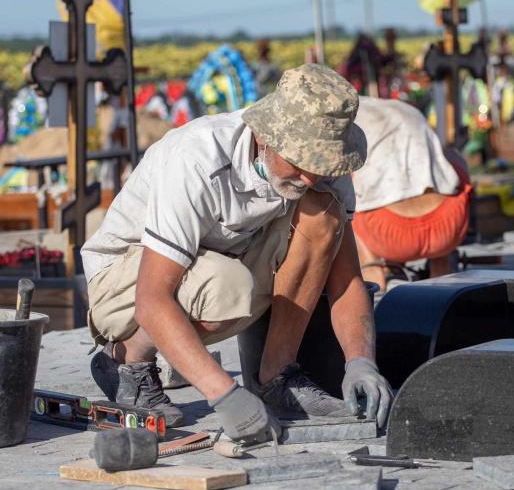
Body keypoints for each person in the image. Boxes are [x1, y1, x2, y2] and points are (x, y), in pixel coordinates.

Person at [81, 64, 392, 445]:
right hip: (123, 286)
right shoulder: (198, 159)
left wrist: (361, 362)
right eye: (299, 162)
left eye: (320, 165)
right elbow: (151, 299)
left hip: (221, 265)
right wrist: (225, 395)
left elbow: (347, 281)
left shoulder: (322, 168)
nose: (310, 177)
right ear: (265, 136)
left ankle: (276, 378)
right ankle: (126, 360)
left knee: (323, 217)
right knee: (227, 287)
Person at [351, 96, 473, 291]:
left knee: (340, 188)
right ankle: (441, 265)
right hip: (449, 226)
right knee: (447, 166)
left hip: (385, 234)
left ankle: (372, 269)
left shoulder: (347, 118)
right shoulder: (405, 109)